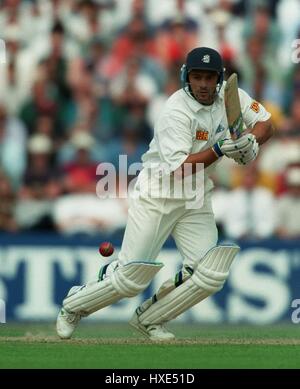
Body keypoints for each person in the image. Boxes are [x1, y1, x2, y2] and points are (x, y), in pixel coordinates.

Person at [56, 47, 274, 341]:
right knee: (130, 279)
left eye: (210, 78)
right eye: (197, 77)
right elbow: (180, 169)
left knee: (210, 273)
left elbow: (266, 123)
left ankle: (150, 319)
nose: (204, 85)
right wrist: (222, 148)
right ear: (187, 77)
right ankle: (73, 306)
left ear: (219, 79)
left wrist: (251, 142)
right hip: (158, 192)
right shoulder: (175, 110)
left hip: (196, 194)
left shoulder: (231, 96)